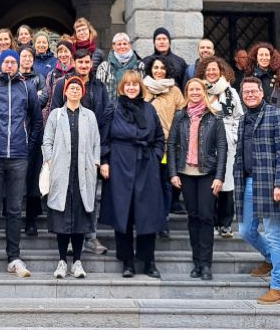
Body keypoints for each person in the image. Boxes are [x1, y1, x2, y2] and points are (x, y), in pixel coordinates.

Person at [0, 50, 43, 279]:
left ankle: (14, 257)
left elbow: (36, 120)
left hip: (18, 156)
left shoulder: (27, 88)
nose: (10, 65)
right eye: (7, 62)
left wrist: (28, 146)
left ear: (17, 65)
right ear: (1, 64)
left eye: (13, 62)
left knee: (14, 209)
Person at [101, 71, 167, 278]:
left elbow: (159, 138)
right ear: (122, 87)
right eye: (127, 84)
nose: (131, 88)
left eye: (135, 85)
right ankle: (127, 261)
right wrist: (104, 161)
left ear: (140, 87)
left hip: (146, 165)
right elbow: (103, 138)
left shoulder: (149, 109)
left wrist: (155, 157)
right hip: (120, 164)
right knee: (123, 214)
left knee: (147, 214)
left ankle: (148, 261)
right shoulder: (113, 107)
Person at [236, 76, 280, 305]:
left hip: (270, 184)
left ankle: (279, 287)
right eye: (246, 92)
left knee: (273, 234)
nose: (250, 95)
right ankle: (270, 258)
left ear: (262, 92)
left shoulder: (277, 115)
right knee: (245, 230)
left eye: (253, 91)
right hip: (249, 182)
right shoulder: (243, 119)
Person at [48, 49, 112, 255]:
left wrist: (100, 157)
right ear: (74, 63)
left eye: (87, 62)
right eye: (80, 62)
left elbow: (105, 121)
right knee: (67, 197)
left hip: (89, 154)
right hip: (65, 153)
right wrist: (52, 158)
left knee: (90, 197)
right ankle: (67, 237)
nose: (84, 65)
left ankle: (90, 237)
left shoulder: (99, 87)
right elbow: (54, 117)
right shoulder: (62, 85)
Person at [166, 78, 227, 280]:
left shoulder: (215, 117)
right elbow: (172, 144)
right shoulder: (180, 116)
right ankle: (196, 263)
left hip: (207, 174)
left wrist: (220, 177)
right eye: (191, 89)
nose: (194, 92)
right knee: (193, 217)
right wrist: (173, 173)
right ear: (186, 92)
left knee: (206, 217)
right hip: (186, 174)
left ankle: (206, 264)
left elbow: (222, 148)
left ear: (204, 92)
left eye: (198, 89)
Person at [43, 77, 100, 279]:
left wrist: (95, 164)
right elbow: (47, 141)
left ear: (82, 92)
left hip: (83, 174)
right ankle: (61, 261)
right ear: (65, 92)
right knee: (61, 217)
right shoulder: (56, 115)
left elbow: (96, 144)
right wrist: (50, 161)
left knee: (79, 218)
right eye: (71, 88)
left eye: (78, 88)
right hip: (61, 173)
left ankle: (77, 261)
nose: (74, 91)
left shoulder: (90, 116)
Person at [196, 57, 243, 240]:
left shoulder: (230, 92)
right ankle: (211, 221)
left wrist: (234, 137)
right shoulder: (199, 91)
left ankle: (225, 224)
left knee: (226, 184)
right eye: (208, 70)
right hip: (206, 144)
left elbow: (239, 116)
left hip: (228, 143)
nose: (211, 73)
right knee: (209, 183)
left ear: (221, 71)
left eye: (215, 69)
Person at [143, 56, 187, 237]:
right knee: (148, 184)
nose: (159, 71)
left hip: (168, 146)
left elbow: (183, 116)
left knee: (165, 184)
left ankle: (163, 221)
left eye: (162, 68)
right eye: (155, 68)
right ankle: (149, 219)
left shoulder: (175, 91)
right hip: (147, 145)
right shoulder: (143, 88)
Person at [20, 47, 48, 237]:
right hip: (15, 135)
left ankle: (31, 221)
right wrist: (33, 96)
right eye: (24, 56)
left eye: (30, 56)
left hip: (35, 134)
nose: (27, 59)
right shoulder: (12, 78)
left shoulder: (40, 77)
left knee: (32, 181)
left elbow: (44, 98)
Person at [247, 42, 280, 120]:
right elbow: (243, 100)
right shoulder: (250, 76)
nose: (264, 58)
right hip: (255, 122)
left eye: (267, 55)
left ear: (271, 57)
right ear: (256, 57)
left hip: (277, 121)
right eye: (261, 55)